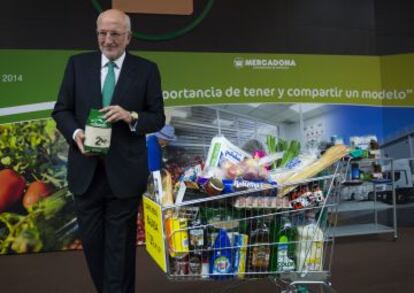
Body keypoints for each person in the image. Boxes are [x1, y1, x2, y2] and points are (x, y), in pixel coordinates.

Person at [52, 9, 165, 293]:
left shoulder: (147, 69)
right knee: (93, 248)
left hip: (124, 175)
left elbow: (157, 117)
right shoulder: (77, 65)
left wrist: (132, 116)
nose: (108, 39)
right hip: (85, 172)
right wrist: (77, 134)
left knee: (120, 250)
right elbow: (61, 110)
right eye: (102, 33)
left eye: (115, 33)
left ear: (128, 37)